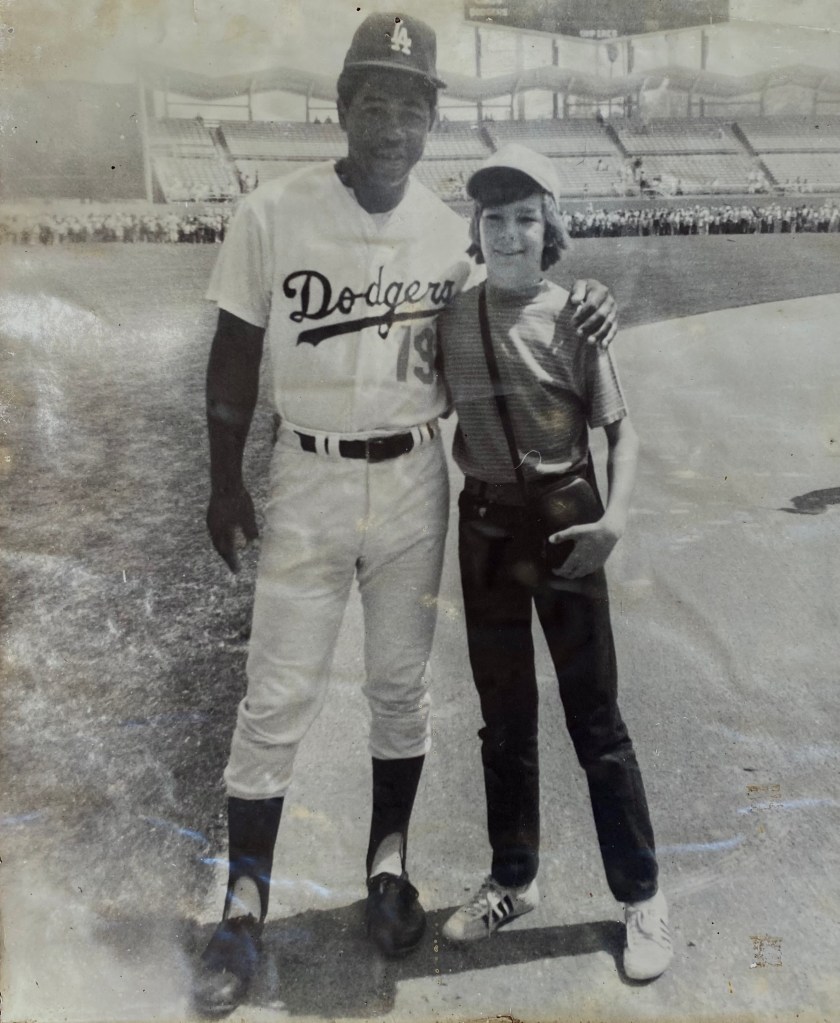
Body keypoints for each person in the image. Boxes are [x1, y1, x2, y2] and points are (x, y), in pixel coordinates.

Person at [194, 15, 619, 1015]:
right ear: (343, 107)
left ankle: (388, 867)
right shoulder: (271, 210)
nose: (392, 125)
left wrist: (592, 298)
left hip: (415, 475)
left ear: (433, 120)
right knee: (276, 692)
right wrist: (224, 479)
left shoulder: (449, 236)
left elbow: (529, 292)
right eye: (374, 102)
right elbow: (234, 354)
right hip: (308, 472)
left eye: (412, 107)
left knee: (399, 684)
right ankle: (244, 904)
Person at [437, 144, 672, 982]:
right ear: (477, 228)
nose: (508, 235)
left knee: (595, 718)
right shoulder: (450, 316)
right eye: (494, 219)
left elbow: (622, 434)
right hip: (486, 527)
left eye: (526, 219)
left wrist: (616, 521)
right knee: (502, 717)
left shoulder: (577, 317)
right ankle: (513, 877)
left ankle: (642, 895)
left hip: (567, 521)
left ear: (551, 230)